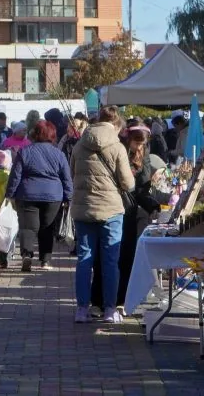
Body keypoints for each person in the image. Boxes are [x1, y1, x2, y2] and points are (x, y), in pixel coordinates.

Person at [69, 106, 134, 324]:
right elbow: (127, 183)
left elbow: (72, 174)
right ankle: (109, 309)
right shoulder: (117, 147)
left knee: (84, 259)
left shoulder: (79, 145)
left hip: (83, 208)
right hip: (111, 209)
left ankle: (81, 309)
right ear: (116, 125)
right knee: (110, 261)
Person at [5, 120, 73, 271]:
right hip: (53, 195)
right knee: (47, 228)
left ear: (35, 134)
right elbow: (66, 177)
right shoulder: (59, 154)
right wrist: (68, 196)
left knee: (28, 228)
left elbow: (15, 176)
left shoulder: (25, 151)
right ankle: (45, 261)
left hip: (28, 193)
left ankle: (27, 255)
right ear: (53, 135)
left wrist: (10, 194)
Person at [117, 122, 165, 304]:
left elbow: (143, 187)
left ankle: (132, 295)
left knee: (134, 253)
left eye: (143, 144)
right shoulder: (120, 152)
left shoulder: (144, 154)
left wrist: (154, 205)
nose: (139, 147)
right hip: (122, 206)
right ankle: (121, 297)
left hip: (138, 208)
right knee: (124, 255)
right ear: (129, 139)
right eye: (137, 143)